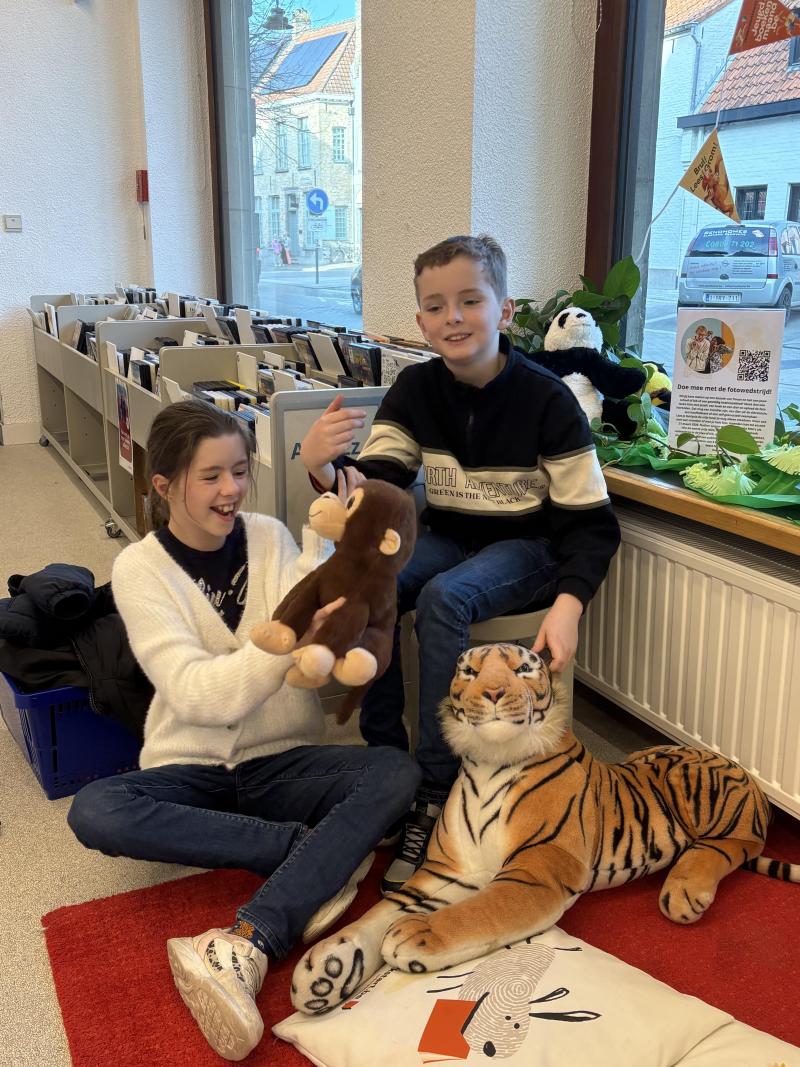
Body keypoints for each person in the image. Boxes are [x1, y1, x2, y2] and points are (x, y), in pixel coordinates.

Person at [67, 400, 420, 1061]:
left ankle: (250, 938)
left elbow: (315, 601)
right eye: (210, 476)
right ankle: (307, 853)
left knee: (396, 770)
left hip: (282, 761)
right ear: (164, 485)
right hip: (192, 765)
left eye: (238, 471)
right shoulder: (140, 570)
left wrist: (330, 534)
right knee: (96, 809)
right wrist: (292, 642)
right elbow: (197, 695)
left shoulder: (267, 535)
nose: (230, 489)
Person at [299, 234, 621, 894]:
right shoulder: (416, 388)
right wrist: (322, 466)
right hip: (451, 535)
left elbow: (591, 523)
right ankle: (385, 763)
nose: (453, 317)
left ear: (505, 310)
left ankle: (434, 788)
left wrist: (570, 603)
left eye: (471, 300)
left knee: (443, 597)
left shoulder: (548, 400)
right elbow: (379, 485)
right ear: (421, 322)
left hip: (531, 547)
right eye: (436, 306)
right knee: (378, 577)